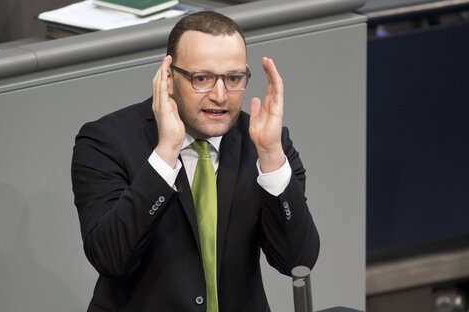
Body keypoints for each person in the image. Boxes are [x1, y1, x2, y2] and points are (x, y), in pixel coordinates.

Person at [71, 10, 320, 312]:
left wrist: (270, 156)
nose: (220, 95)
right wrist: (165, 154)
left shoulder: (265, 143)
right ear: (168, 77)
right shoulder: (105, 141)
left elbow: (297, 260)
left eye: (233, 78)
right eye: (202, 78)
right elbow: (110, 257)